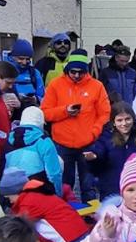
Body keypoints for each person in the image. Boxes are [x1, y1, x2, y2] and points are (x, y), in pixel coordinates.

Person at [42, 51, 110, 201]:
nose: (77, 75)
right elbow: (45, 113)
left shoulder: (97, 86)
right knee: (64, 185)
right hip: (62, 143)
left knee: (89, 186)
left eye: (81, 72)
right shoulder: (55, 85)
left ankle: (90, 212)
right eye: (73, 72)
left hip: (88, 143)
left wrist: (94, 132)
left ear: (86, 71)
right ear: (67, 69)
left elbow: (105, 114)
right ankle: (64, 211)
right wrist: (65, 111)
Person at [3, 106, 63, 198]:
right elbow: (54, 174)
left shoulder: (9, 140)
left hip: (13, 192)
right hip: (38, 191)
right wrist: (58, 195)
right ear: (41, 123)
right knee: (59, 161)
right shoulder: (43, 141)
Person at [7, 39, 45, 107]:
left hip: (30, 110)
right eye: (21, 59)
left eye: (28, 59)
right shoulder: (4, 71)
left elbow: (43, 97)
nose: (24, 62)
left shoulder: (35, 73)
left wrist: (35, 99)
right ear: (12, 57)